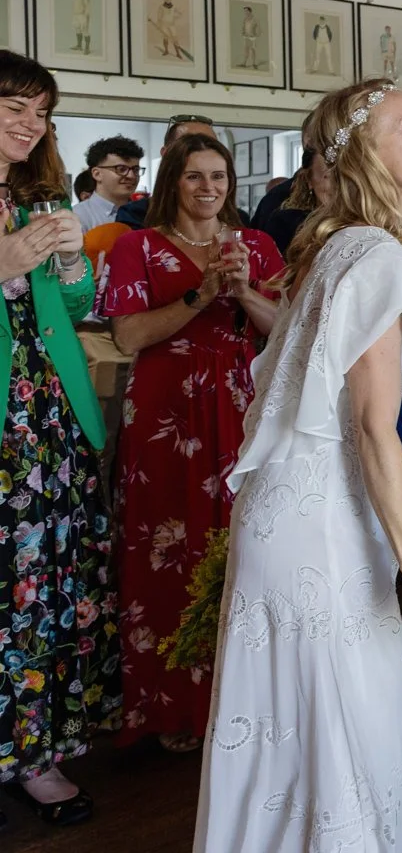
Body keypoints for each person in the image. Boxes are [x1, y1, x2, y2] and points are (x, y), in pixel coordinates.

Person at [193, 81, 402, 852]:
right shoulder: (378, 256)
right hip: (321, 523)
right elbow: (371, 426)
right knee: (345, 730)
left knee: (301, 741)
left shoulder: (340, 246)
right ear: (363, 157)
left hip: (292, 514)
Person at [101, 135, 282, 753]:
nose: (209, 188)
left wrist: (242, 292)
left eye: (220, 177)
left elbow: (282, 331)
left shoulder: (256, 245)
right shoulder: (137, 248)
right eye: (195, 176)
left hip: (239, 402)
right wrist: (201, 293)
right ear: (173, 181)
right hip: (165, 411)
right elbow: (129, 337)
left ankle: (241, 698)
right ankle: (173, 705)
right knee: (166, 543)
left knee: (241, 543)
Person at [0, 50, 117, 830]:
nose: (30, 124)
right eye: (13, 106)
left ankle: (36, 758)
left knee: (45, 591)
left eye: (41, 112)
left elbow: (75, 303)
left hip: (48, 420)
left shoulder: (26, 199)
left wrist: (73, 258)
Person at [74, 135, 144, 232]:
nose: (131, 176)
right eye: (121, 169)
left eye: (136, 170)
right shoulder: (78, 216)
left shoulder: (145, 213)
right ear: (97, 174)